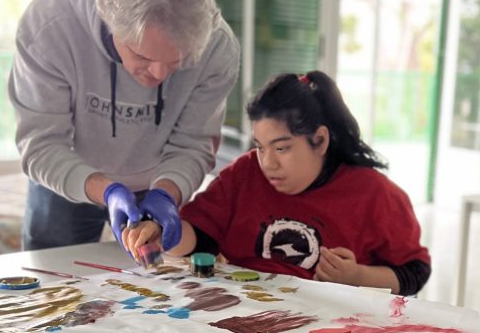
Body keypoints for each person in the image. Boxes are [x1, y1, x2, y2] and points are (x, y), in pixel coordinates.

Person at [11, 0, 241, 252]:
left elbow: (193, 144)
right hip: (65, 175)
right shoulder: (48, 26)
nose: (158, 73)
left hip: (157, 181)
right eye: (143, 56)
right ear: (110, 23)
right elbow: (41, 145)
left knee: (154, 278)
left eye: (177, 61)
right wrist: (108, 191)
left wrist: (167, 193)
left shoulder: (218, 48)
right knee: (49, 275)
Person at [122, 71, 431, 296]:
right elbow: (201, 237)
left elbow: (413, 273)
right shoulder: (245, 173)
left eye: (282, 148)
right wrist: (165, 231)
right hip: (240, 314)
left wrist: (358, 276)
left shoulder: (375, 194)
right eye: (260, 147)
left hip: (325, 328)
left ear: (320, 140)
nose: (268, 163)